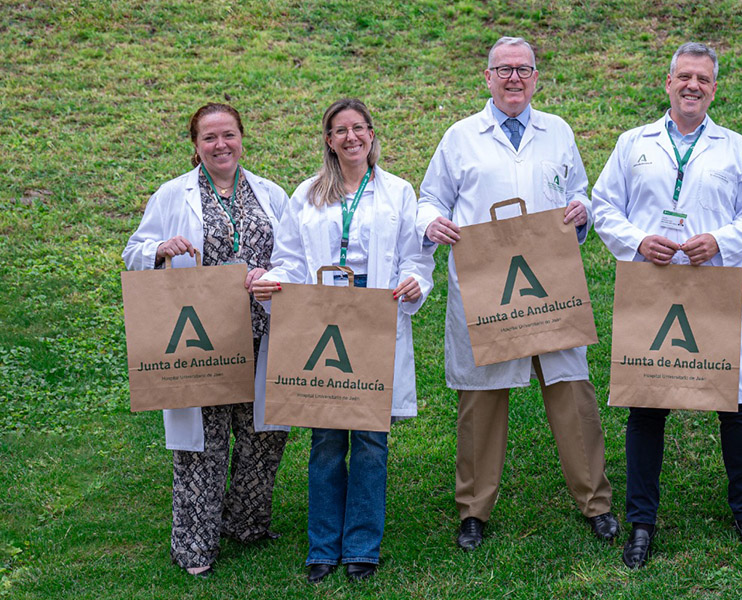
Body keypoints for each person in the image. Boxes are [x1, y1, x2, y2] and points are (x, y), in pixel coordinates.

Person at [417, 36, 617, 551]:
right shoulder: (461, 137)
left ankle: (596, 502)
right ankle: (474, 510)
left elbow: (578, 191)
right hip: (487, 286)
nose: (513, 78)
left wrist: (581, 212)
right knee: (481, 401)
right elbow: (430, 197)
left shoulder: (558, 132)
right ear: (487, 78)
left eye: (522, 70)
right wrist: (431, 223)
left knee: (572, 391)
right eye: (503, 70)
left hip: (549, 282)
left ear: (535, 78)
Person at [591, 42, 742, 568]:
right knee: (646, 403)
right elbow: (604, 207)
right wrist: (637, 241)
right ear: (667, 83)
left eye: (704, 79)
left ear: (714, 89)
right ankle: (641, 522)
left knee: (736, 403)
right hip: (652, 285)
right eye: (684, 77)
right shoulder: (632, 143)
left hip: (711, 284)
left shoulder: (734, 147)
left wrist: (719, 240)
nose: (693, 86)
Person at [250, 98, 434, 582]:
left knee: (371, 440)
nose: (351, 137)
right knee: (327, 440)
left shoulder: (398, 191)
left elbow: (415, 258)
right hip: (321, 322)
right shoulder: (308, 193)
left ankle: (361, 546)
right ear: (328, 140)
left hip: (373, 319)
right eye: (340, 130)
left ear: (372, 135)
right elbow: (289, 257)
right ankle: (322, 545)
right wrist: (273, 280)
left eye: (359, 128)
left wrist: (417, 283)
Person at [122, 103, 290, 578]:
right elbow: (134, 250)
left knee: (264, 435)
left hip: (262, 331)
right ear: (195, 145)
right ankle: (195, 545)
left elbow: (295, 254)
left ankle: (246, 524)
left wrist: (273, 273)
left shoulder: (271, 194)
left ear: (242, 138)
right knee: (204, 442)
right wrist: (159, 248)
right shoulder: (173, 195)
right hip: (203, 339)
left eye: (229, 135)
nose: (221, 145)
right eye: (210, 137)